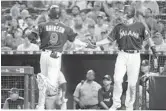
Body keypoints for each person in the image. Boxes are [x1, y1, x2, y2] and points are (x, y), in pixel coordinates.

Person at [88, 5, 158, 110]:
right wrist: (96, 43)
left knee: (132, 84)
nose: (122, 14)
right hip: (122, 54)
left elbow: (149, 39)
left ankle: (129, 105)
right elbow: (109, 39)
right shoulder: (118, 26)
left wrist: (154, 52)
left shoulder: (140, 26)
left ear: (129, 14)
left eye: (124, 13)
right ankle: (116, 104)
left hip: (135, 55)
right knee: (117, 79)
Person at [35, 5, 89, 109]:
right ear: (59, 15)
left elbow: (30, 36)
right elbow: (74, 41)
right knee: (52, 84)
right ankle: (50, 89)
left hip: (44, 54)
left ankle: (41, 105)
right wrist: (84, 44)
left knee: (43, 82)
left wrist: (39, 41)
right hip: (55, 55)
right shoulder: (66, 28)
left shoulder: (42, 25)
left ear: (49, 14)